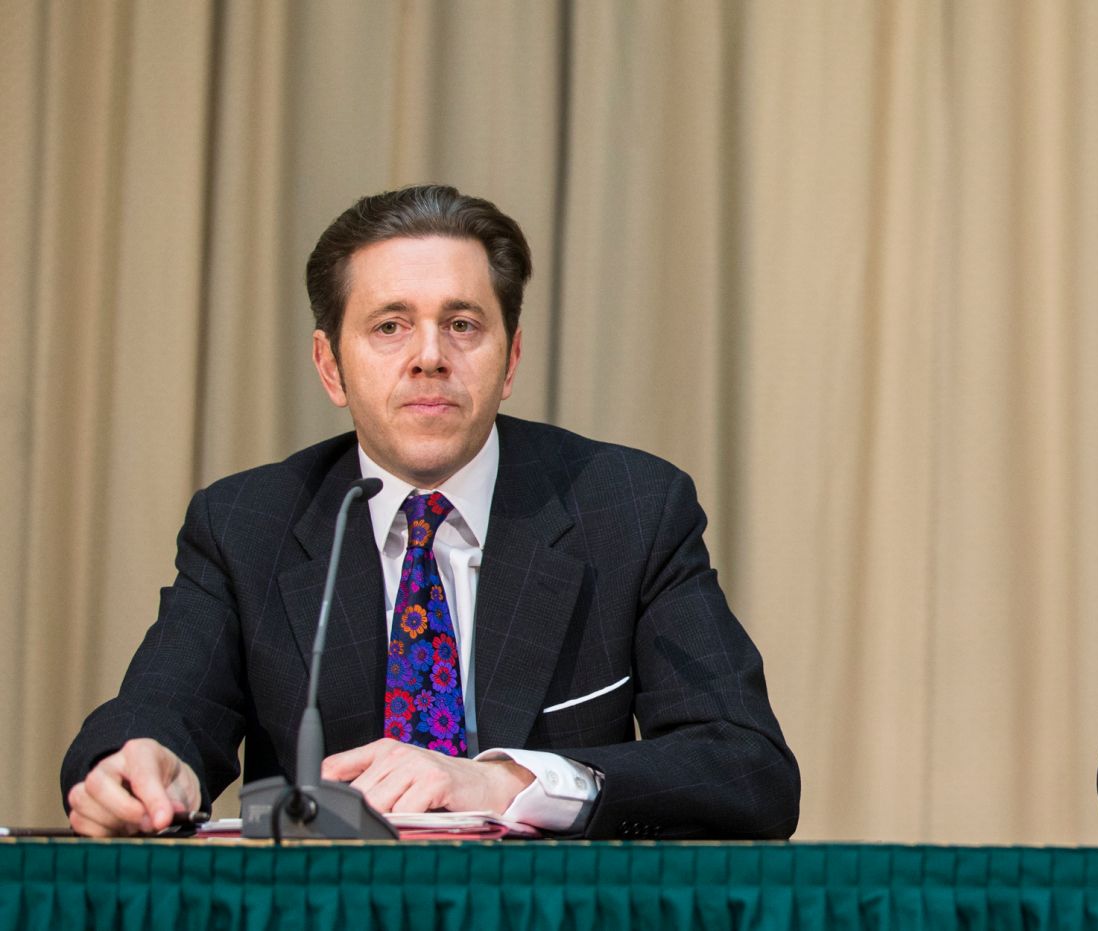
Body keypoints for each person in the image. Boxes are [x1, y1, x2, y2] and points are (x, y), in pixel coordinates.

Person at [62, 184, 800, 839]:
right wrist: (134, 768)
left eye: (463, 324)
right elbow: (161, 710)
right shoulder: (249, 524)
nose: (429, 357)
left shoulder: (629, 510)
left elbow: (748, 767)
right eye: (389, 326)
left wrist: (507, 782)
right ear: (330, 366)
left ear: (509, 361)